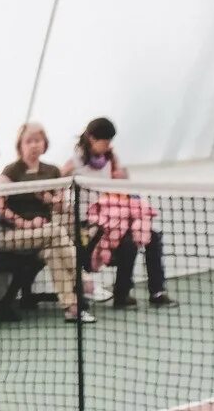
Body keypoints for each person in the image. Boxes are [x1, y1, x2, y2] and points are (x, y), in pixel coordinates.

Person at [63, 117, 173, 308]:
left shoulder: (110, 159)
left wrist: (121, 173)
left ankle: (157, 291)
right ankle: (121, 295)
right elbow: (58, 181)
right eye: (104, 141)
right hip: (89, 225)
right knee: (128, 244)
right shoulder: (75, 162)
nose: (107, 146)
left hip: (114, 219)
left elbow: (122, 185)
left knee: (153, 237)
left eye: (110, 142)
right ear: (91, 138)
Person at [0, 122, 89, 323]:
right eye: (28, 141)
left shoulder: (52, 171)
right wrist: (25, 223)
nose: (33, 145)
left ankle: (71, 308)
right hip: (12, 236)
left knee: (54, 251)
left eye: (37, 140)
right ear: (20, 145)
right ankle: (84, 280)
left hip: (45, 236)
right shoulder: (11, 171)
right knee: (55, 231)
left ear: (44, 144)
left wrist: (49, 200)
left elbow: (61, 207)